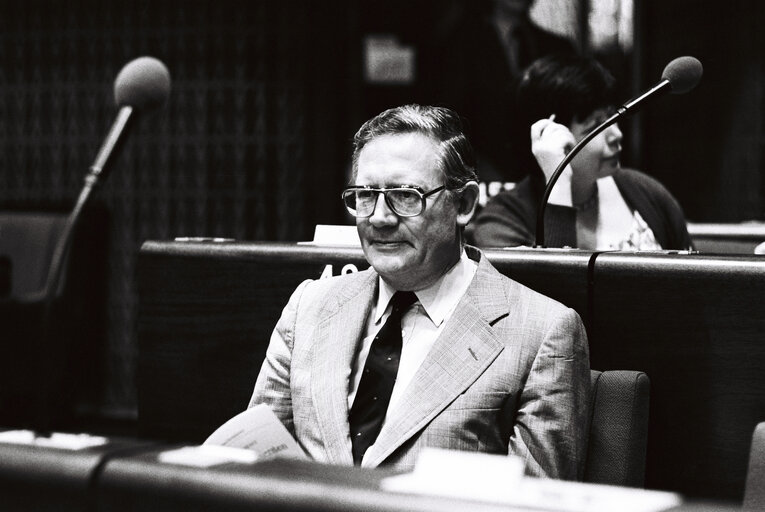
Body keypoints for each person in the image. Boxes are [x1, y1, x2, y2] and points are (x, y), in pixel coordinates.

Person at [249, 104, 590, 479]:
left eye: (405, 195)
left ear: (464, 204)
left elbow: (535, 505)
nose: (379, 217)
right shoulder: (310, 306)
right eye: (365, 195)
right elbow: (251, 463)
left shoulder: (543, 332)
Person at [470, 54, 694, 250]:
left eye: (611, 117)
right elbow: (556, 292)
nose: (616, 135)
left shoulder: (645, 190)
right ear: (548, 134)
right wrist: (559, 183)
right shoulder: (502, 221)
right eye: (596, 125)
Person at [420, 0, 576, 182]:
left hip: (544, 172)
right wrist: (474, 165)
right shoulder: (460, 44)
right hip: (482, 173)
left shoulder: (556, 47)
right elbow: (448, 116)